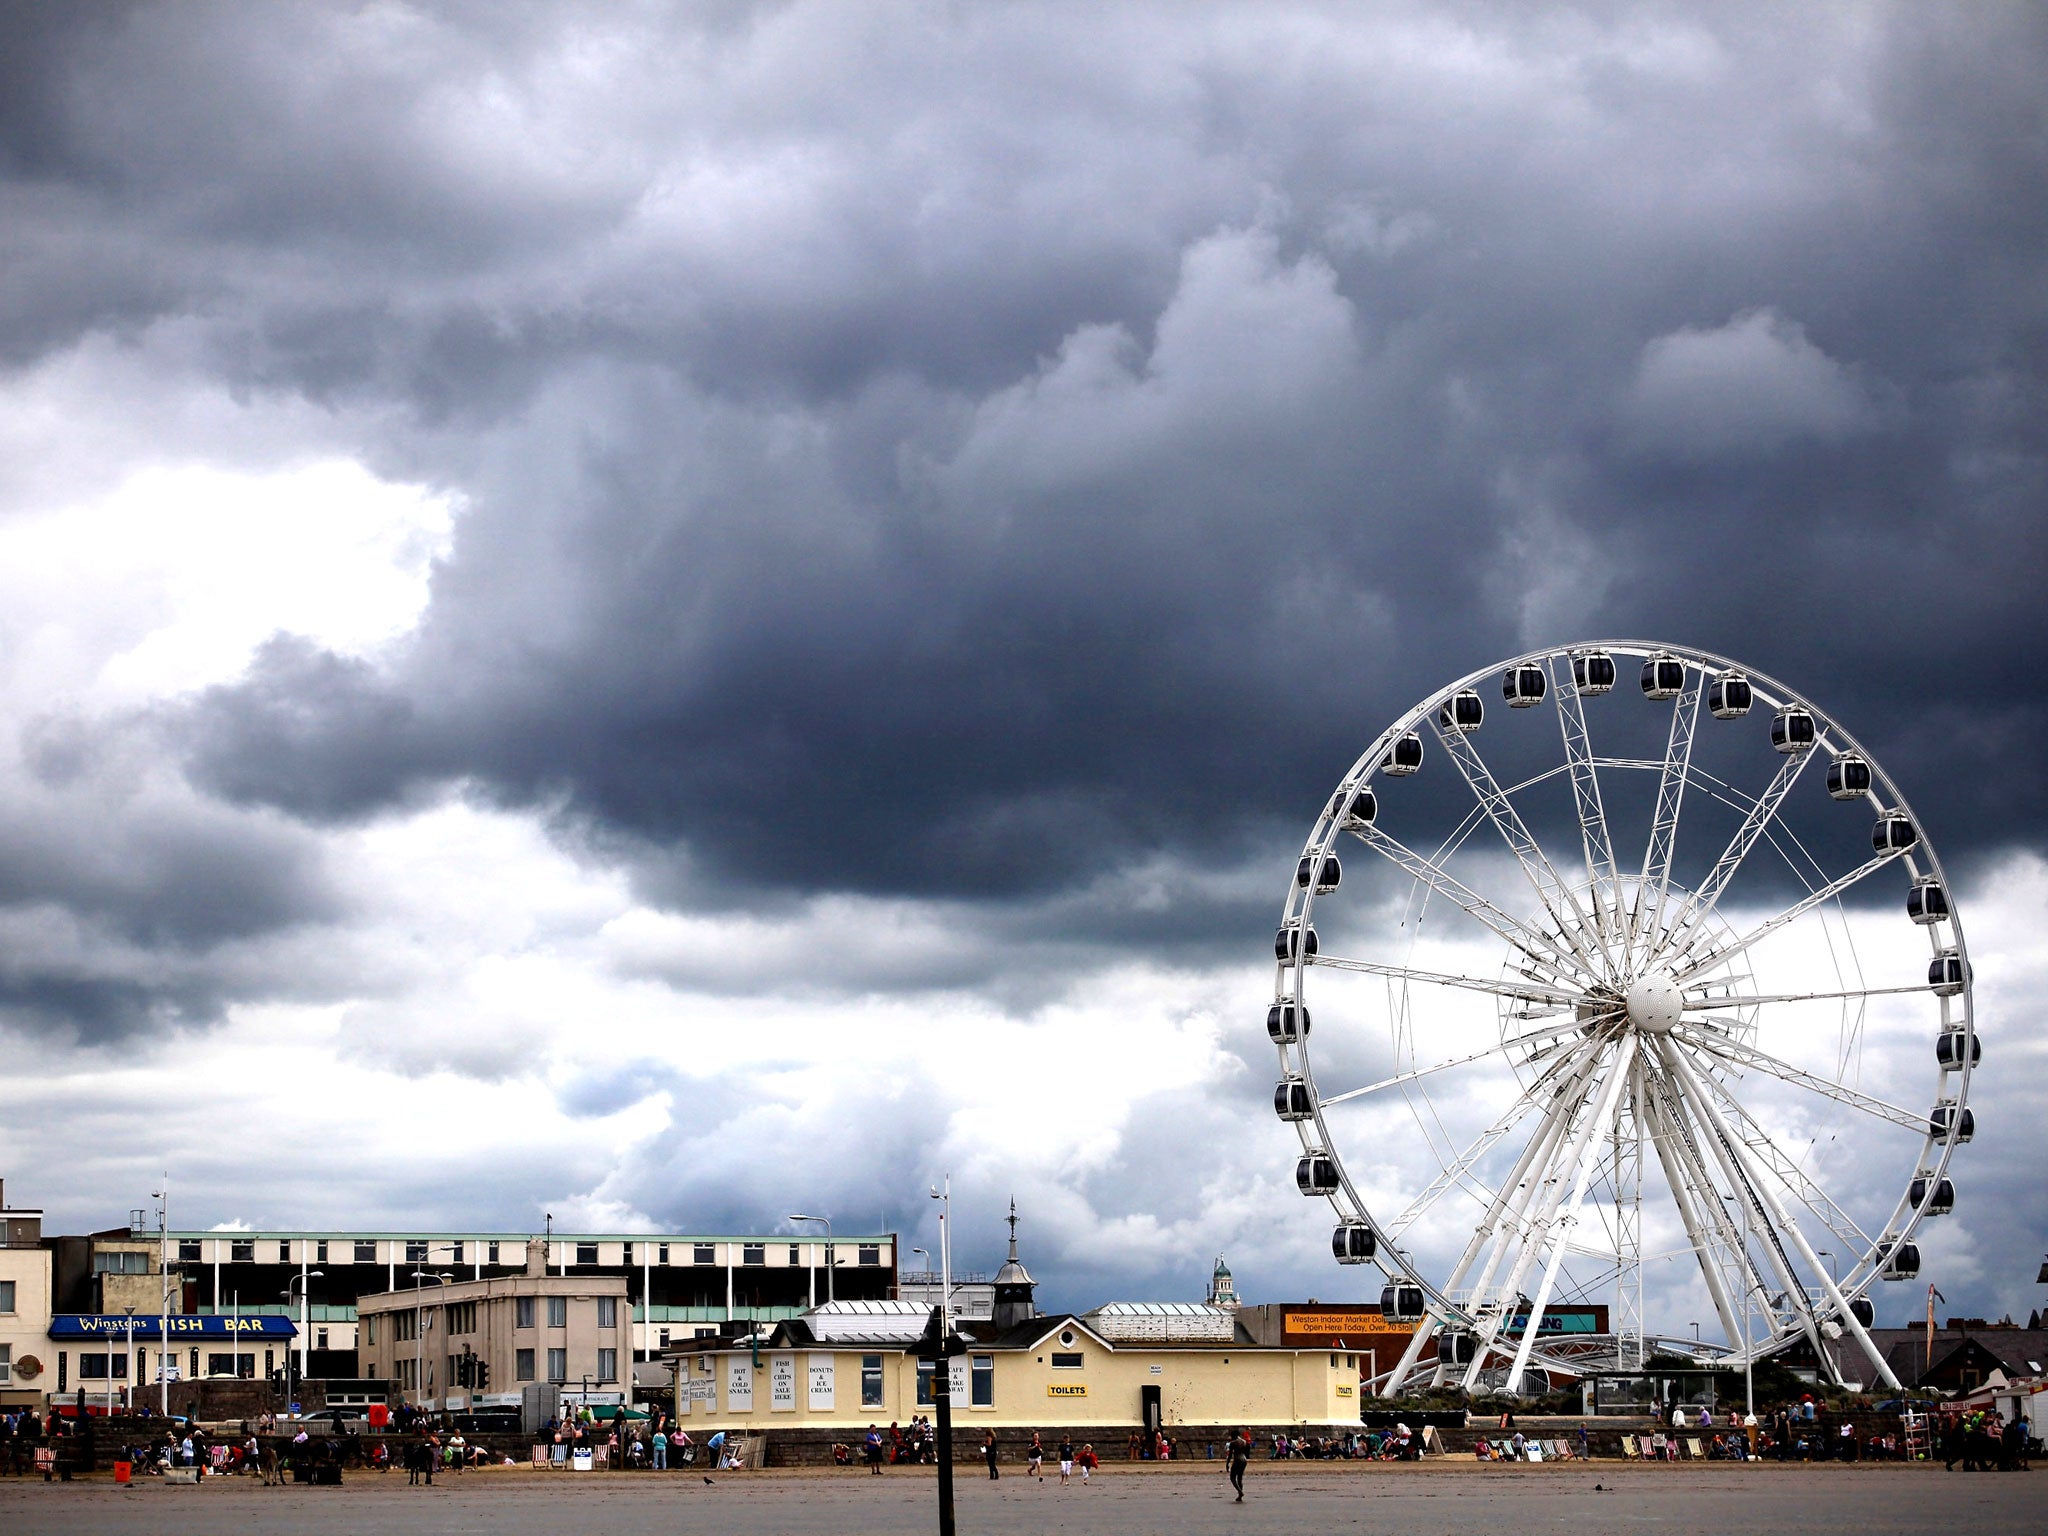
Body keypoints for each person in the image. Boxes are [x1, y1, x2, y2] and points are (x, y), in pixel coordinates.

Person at [1226, 1427, 1250, 1502]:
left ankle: (1240, 1492)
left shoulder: (1233, 1443)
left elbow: (1230, 1455)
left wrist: (1227, 1464)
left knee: (1232, 1478)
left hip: (1238, 1460)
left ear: (1234, 1436)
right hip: (1244, 1460)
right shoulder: (1244, 1442)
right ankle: (1240, 1496)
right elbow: (1246, 1452)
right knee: (1239, 1478)